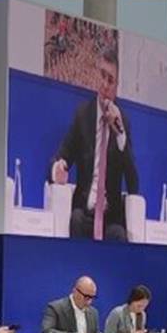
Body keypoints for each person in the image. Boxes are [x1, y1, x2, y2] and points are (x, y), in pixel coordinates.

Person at [48, 64, 137, 242]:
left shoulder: (123, 123)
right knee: (76, 220)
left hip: (110, 218)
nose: (105, 85)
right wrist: (57, 168)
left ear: (116, 87)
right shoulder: (83, 115)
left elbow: (133, 183)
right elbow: (62, 155)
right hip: (84, 212)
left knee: (119, 235)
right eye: (102, 76)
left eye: (110, 80)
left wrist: (120, 134)